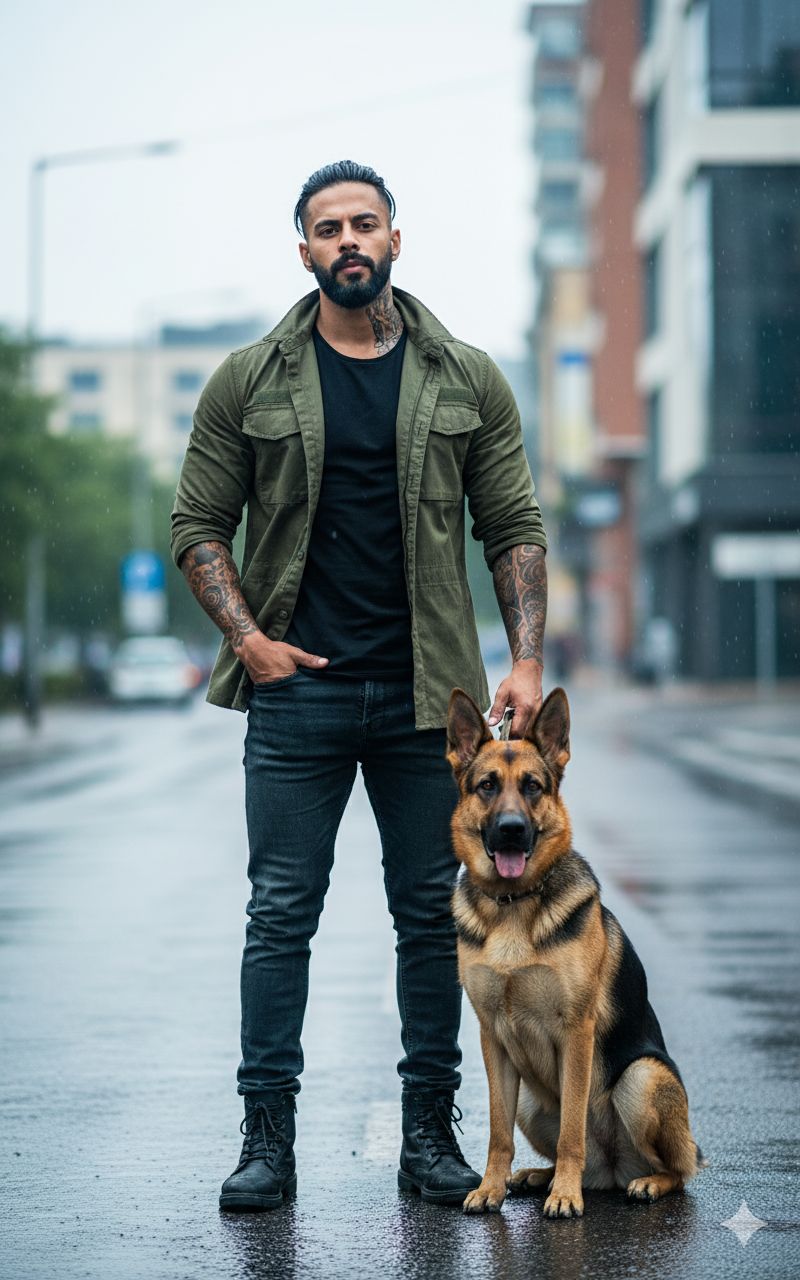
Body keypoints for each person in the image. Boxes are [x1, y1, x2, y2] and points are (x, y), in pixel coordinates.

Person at [170, 160, 548, 1212]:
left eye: (363, 222)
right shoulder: (248, 379)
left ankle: (430, 1132)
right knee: (279, 911)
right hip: (297, 690)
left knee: (432, 915)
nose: (347, 239)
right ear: (303, 250)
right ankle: (264, 1139)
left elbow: (511, 525)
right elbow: (195, 524)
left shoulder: (466, 375)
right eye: (327, 226)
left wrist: (522, 657)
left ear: (393, 239)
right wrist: (248, 638)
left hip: (434, 703)